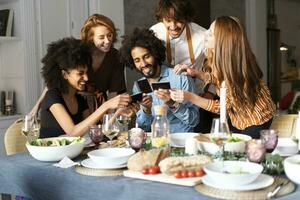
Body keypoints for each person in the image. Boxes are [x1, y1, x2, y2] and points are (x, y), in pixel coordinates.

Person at [170, 16, 276, 139]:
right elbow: (218, 79)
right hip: (239, 116)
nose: (205, 34)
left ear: (221, 42)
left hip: (256, 119)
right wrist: (196, 73)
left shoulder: (235, 72)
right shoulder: (221, 59)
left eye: (210, 33)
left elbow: (221, 107)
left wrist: (190, 97)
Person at [28, 14, 126, 116]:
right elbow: (54, 79)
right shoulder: (77, 50)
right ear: (91, 37)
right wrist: (35, 110)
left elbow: (113, 93)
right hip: (71, 103)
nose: (107, 41)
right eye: (101, 37)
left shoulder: (116, 57)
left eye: (110, 35)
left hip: (99, 108)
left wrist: (109, 120)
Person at [39, 37, 130, 138]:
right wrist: (106, 106)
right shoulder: (53, 96)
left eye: (86, 72)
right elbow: (72, 132)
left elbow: (94, 133)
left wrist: (118, 113)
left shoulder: (80, 99)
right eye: (80, 73)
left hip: (72, 153)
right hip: (49, 152)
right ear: (64, 74)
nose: (86, 78)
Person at [120, 28, 199, 133]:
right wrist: (146, 110)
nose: (143, 64)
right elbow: (144, 129)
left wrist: (172, 103)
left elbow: (194, 120)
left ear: (155, 53)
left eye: (146, 56)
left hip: (181, 143)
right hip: (155, 144)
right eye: (137, 60)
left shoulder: (180, 77)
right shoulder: (138, 85)